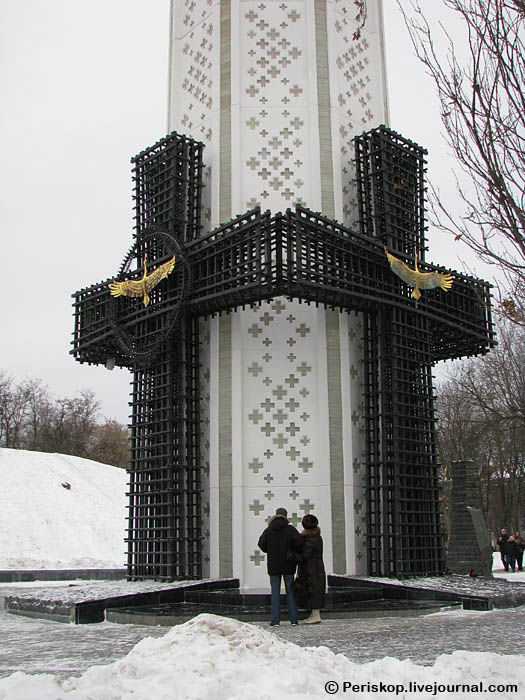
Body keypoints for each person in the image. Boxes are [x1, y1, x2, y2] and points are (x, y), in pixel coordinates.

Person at [258, 507, 303, 626]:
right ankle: (293, 619)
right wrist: (292, 550)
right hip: (288, 564)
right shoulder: (290, 529)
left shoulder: (269, 529)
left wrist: (270, 550)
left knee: (275, 592)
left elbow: (261, 544)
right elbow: (300, 543)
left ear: (276, 515)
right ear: (285, 516)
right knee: (290, 592)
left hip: (273, 566)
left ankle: (275, 620)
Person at [296, 513, 326, 624]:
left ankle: (316, 615)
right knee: (316, 589)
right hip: (316, 567)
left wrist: (295, 556)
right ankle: (314, 614)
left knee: (314, 589)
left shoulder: (310, 539)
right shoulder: (317, 536)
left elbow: (306, 555)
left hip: (311, 568)